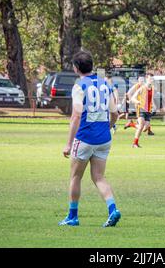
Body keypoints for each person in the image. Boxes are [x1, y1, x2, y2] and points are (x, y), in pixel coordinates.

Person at [59, 50, 121, 227]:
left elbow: (76, 115)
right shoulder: (104, 84)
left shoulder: (80, 85)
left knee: (75, 177)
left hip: (85, 138)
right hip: (104, 139)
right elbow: (115, 113)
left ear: (76, 67)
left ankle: (72, 216)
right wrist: (107, 128)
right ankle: (112, 209)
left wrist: (68, 143)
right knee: (99, 177)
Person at [131, 74, 155, 148]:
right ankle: (135, 143)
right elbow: (133, 98)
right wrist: (137, 102)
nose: (151, 80)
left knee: (145, 128)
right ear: (146, 79)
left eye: (152, 79)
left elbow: (151, 99)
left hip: (148, 110)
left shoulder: (152, 88)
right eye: (150, 79)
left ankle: (131, 124)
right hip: (141, 108)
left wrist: (154, 105)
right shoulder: (142, 88)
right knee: (141, 125)